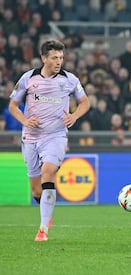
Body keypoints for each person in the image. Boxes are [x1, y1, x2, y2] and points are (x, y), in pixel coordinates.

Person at [8, 39, 90, 241]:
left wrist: (75, 116)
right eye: (54, 57)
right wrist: (25, 121)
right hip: (30, 138)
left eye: (61, 57)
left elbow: (85, 102)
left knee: (48, 173)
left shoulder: (69, 79)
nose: (59, 61)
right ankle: (47, 208)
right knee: (37, 190)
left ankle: (43, 229)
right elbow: (12, 106)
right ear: (44, 58)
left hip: (56, 136)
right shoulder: (29, 78)